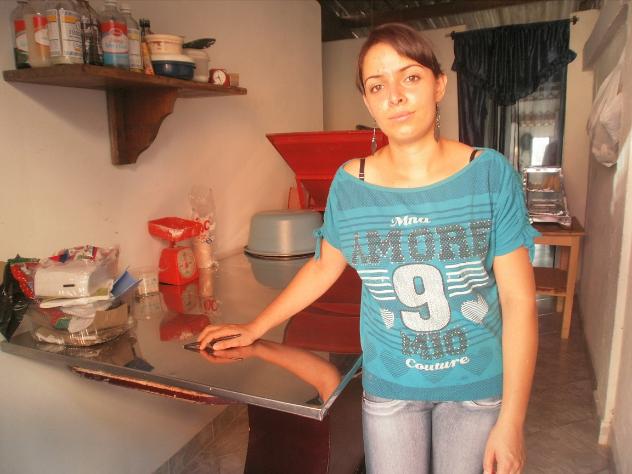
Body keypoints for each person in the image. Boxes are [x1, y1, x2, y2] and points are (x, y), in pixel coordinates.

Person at [198, 22, 539, 474]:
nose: (395, 96)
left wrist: (512, 421)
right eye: (378, 85)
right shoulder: (351, 183)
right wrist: (254, 327)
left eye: (410, 77)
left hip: (476, 390)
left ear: (439, 85)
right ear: (367, 101)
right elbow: (323, 267)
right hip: (391, 389)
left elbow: (518, 301)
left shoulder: (489, 174)